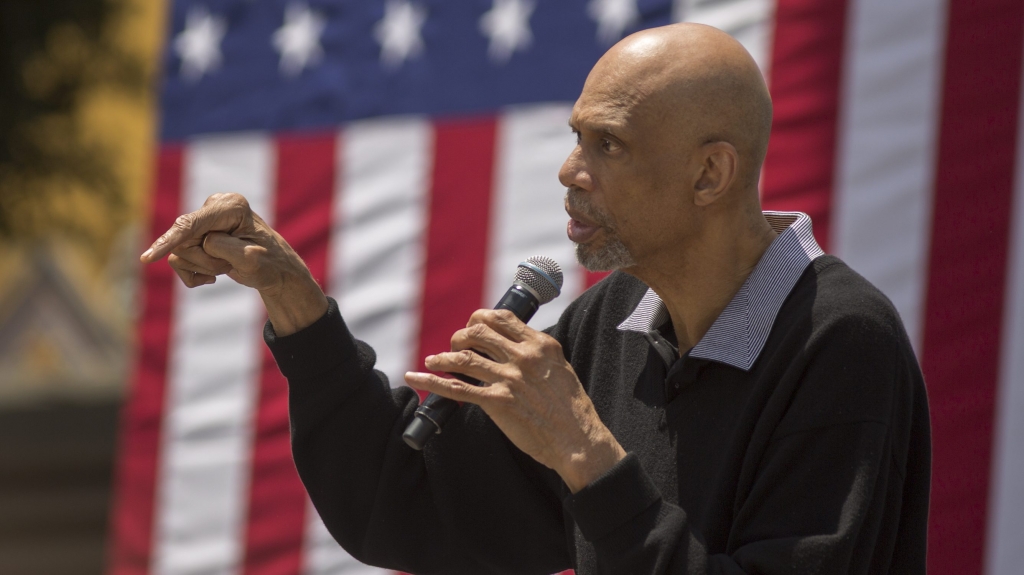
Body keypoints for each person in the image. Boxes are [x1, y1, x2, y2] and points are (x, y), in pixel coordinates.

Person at [141, 23, 930, 575]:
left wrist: (585, 451)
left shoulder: (840, 341)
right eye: (575, 136)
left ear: (709, 175)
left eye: (606, 144)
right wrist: (293, 298)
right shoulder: (615, 322)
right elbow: (399, 504)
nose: (568, 170)